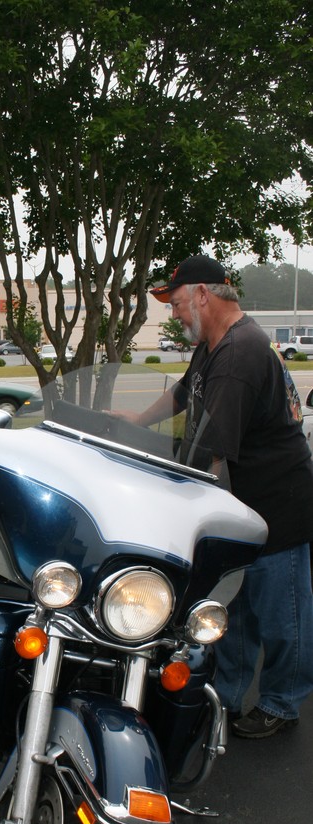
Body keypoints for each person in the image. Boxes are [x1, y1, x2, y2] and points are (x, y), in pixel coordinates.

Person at [123, 254, 313, 738]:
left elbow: (212, 456)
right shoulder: (214, 344)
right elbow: (186, 392)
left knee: (281, 616)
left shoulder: (239, 354)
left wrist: (180, 509)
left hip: (277, 503)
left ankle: (281, 702)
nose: (174, 313)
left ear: (203, 295)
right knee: (234, 609)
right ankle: (227, 694)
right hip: (242, 505)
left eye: (178, 303)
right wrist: (136, 424)